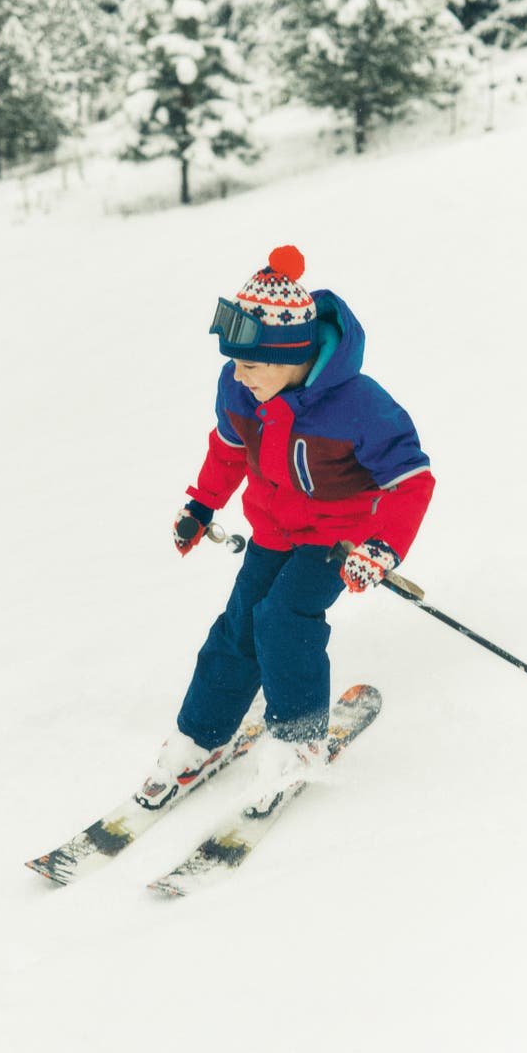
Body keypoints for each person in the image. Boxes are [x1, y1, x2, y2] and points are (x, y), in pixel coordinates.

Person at [137, 244, 435, 809]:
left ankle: (298, 744)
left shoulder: (360, 406)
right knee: (240, 624)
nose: (239, 374)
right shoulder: (240, 387)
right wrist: (202, 504)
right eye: (234, 362)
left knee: (283, 618)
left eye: (252, 364)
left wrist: (382, 547)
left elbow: (411, 480)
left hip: (338, 538)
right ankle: (198, 737)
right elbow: (228, 448)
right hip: (273, 529)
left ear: (293, 355)